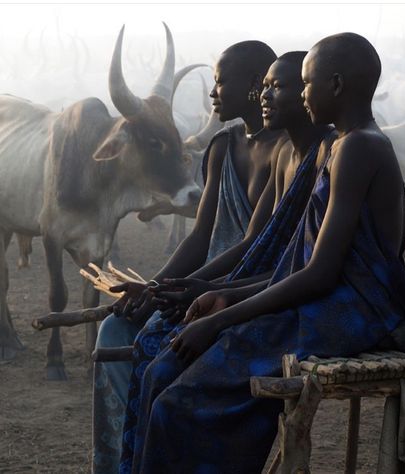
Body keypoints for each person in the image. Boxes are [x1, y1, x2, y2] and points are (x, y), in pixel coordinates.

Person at [124, 33, 405, 474]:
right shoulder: (346, 145)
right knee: (168, 372)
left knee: (180, 403)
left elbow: (321, 275)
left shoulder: (359, 147)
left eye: (306, 84)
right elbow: (305, 267)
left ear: (337, 86)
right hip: (327, 301)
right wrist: (223, 294)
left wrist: (221, 317)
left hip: (354, 311)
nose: (302, 94)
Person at [119, 51, 336, 472]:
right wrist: (186, 289)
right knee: (153, 359)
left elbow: (314, 270)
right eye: (268, 87)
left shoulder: (334, 154)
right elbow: (257, 241)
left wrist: (217, 302)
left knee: (169, 384)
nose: (266, 96)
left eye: (281, 86)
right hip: (261, 287)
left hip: (301, 303)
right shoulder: (277, 152)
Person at [91, 40, 287, 474]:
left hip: (245, 289)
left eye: (220, 82)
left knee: (160, 348)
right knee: (116, 328)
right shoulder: (222, 145)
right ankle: (119, 462)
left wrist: (180, 290)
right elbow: (201, 236)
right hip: (198, 283)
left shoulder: (290, 151)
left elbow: (260, 245)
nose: (213, 93)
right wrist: (153, 286)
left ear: (256, 85)